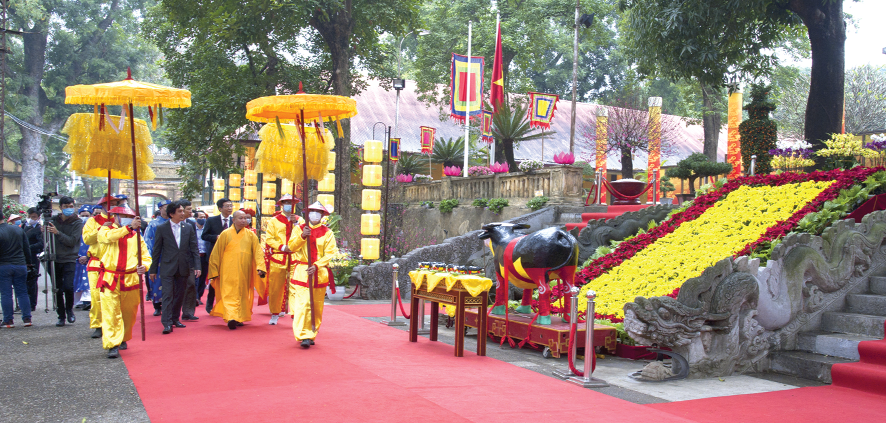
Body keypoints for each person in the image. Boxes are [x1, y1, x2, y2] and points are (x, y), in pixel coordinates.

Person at [97, 206, 150, 358]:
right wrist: (128, 227)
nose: (126, 217)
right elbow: (108, 238)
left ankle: (123, 337)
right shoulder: (105, 230)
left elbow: (146, 256)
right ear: (115, 216)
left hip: (130, 278)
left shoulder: (136, 236)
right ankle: (112, 343)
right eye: (122, 215)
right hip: (110, 278)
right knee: (110, 312)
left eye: (128, 215)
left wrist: (144, 266)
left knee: (129, 312)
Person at [288, 202, 338, 348]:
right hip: (303, 271)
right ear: (307, 213)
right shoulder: (299, 229)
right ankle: (304, 334)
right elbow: (291, 247)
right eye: (312, 211)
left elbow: (330, 253)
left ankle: (312, 332)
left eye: (318, 212)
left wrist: (317, 265)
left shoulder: (328, 233)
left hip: (319, 272)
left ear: (322, 215)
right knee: (303, 304)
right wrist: (302, 236)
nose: (314, 214)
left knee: (316, 305)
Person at [206, 210, 265, 329]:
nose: (244, 220)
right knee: (228, 293)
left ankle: (239, 317)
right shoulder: (225, 234)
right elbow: (216, 253)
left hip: (244, 270)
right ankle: (231, 317)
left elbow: (258, 252)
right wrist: (214, 270)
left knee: (242, 294)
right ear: (233, 220)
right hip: (227, 269)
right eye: (240, 218)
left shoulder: (251, 235)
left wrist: (260, 267)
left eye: (245, 218)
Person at [149, 201, 200, 334]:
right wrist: (153, 269)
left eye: (183, 211)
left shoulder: (188, 227)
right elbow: (157, 250)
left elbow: (194, 248)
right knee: (167, 295)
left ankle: (175, 319)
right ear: (171, 214)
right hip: (167, 267)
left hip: (183, 266)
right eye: (180, 211)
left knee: (179, 294)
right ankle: (166, 323)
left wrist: (197, 266)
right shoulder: (162, 228)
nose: (183, 214)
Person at [261, 195, 304, 325]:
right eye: (286, 202)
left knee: (296, 286)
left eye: (291, 202)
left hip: (295, 256)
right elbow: (269, 239)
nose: (288, 205)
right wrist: (282, 246)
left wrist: (295, 224)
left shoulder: (299, 220)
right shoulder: (274, 221)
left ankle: (295, 313)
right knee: (276, 286)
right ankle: (274, 312)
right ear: (281, 204)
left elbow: (303, 235)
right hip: (279, 256)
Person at [81, 195, 120, 339]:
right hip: (97, 262)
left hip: (115, 263)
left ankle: (115, 323)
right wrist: (101, 229)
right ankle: (98, 324)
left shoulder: (120, 220)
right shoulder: (93, 221)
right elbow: (87, 239)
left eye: (116, 203)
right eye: (112, 203)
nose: (114, 205)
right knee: (97, 296)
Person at [49, 196, 85, 327]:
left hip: (69, 258)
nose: (69, 209)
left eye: (71, 206)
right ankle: (61, 315)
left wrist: (57, 233)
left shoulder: (77, 222)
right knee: (57, 288)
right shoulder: (53, 220)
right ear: (60, 207)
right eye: (66, 207)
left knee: (68, 286)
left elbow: (72, 241)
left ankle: (69, 310)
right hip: (54, 258)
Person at [201, 198, 234, 314]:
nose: (230, 208)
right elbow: (204, 236)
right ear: (220, 208)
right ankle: (210, 304)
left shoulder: (235, 220)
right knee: (215, 279)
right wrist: (216, 237)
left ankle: (226, 304)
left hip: (231, 255)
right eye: (227, 206)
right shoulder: (211, 220)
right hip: (215, 254)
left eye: (231, 206)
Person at [0, 209, 33, 328]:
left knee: (6, 294)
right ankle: (27, 318)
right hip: (20, 264)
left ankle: (8, 320)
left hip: (3, 265)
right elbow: (26, 248)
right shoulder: (18, 229)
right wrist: (29, 263)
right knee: (22, 292)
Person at [145, 199, 171, 316]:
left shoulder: (174, 222)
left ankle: (169, 306)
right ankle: (157, 305)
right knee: (156, 281)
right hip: (157, 256)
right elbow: (148, 240)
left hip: (170, 256)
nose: (167, 209)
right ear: (160, 209)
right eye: (165, 207)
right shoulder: (153, 223)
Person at [177, 199, 200, 320]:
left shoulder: (191, 224)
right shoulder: (167, 224)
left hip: (188, 261)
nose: (191, 212)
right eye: (188, 209)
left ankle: (188, 312)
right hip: (173, 261)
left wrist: (197, 265)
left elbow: (194, 244)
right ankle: (172, 313)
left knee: (190, 285)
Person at [21, 208, 44, 312]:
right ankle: (23, 303)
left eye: (33, 217)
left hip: (33, 256)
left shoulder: (40, 229)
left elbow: (41, 243)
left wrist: (28, 247)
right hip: (22, 257)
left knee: (32, 279)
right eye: (29, 216)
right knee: (22, 280)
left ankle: (32, 303)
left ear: (38, 218)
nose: (31, 219)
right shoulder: (23, 226)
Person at [73, 205, 93, 310]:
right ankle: (78, 301)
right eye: (82, 215)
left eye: (87, 215)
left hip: (90, 257)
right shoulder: (75, 226)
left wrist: (87, 256)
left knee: (89, 280)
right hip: (77, 257)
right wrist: (79, 256)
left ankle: (88, 300)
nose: (84, 217)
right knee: (77, 279)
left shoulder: (93, 227)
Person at [193, 211, 209, 307]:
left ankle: (199, 296)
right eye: (200, 217)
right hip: (195, 256)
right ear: (195, 218)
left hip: (205, 255)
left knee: (203, 277)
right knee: (195, 277)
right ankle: (195, 296)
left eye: (204, 217)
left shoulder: (207, 229)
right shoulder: (191, 228)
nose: (202, 219)